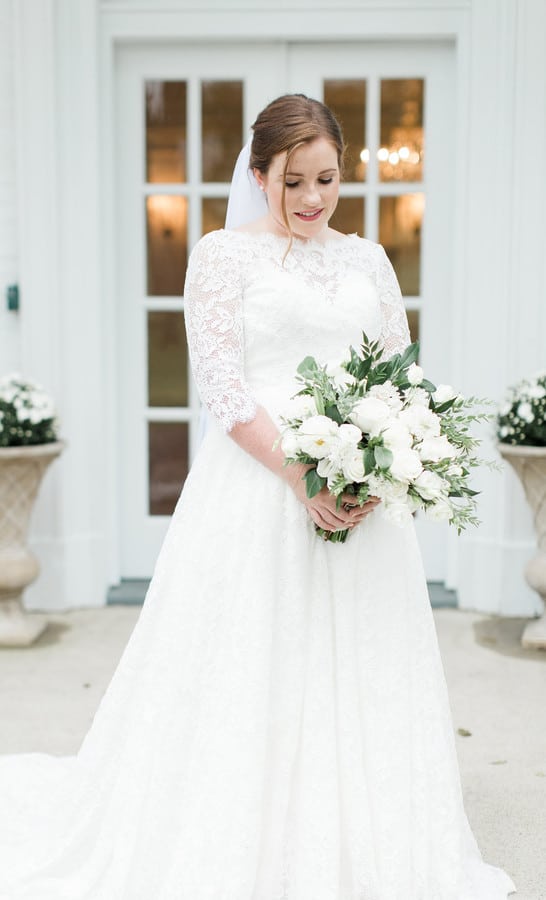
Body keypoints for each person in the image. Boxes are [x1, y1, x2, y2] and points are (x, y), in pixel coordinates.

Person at [0, 94, 515, 899]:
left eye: (328, 179)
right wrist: (303, 476)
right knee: (247, 668)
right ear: (257, 172)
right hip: (256, 496)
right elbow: (225, 389)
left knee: (363, 670)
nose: (312, 199)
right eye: (294, 181)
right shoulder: (220, 256)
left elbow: (398, 375)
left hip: (360, 503)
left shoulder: (368, 261)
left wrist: (378, 467)